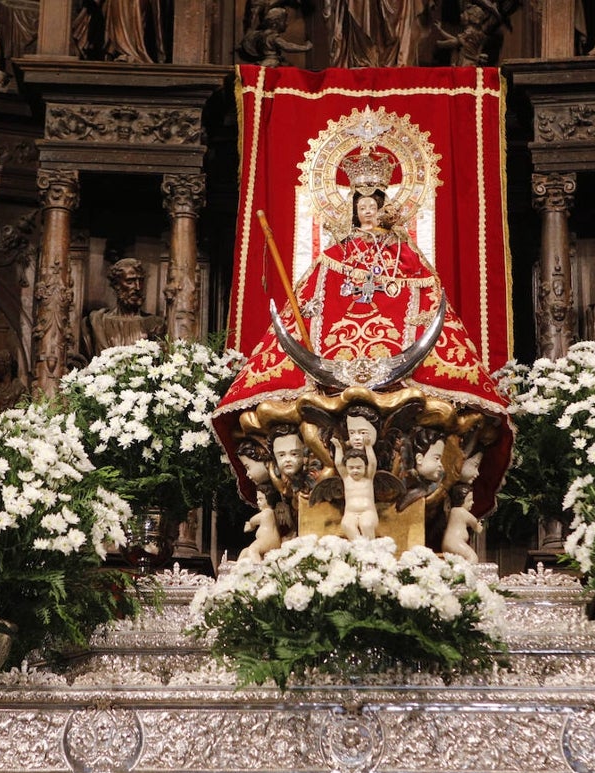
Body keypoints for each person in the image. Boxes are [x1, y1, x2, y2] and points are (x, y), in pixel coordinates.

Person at [215, 150, 512, 524]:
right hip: (332, 364)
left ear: (384, 207)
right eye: (361, 205)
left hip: (399, 362)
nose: (367, 212)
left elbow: (429, 302)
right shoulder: (333, 256)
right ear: (353, 209)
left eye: (373, 204)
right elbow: (307, 302)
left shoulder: (407, 257)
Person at [82, 257, 167, 359]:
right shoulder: (98, 321)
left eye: (140, 281)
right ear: (116, 285)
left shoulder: (154, 324)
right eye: (130, 281)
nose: (138, 287)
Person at [333, 439, 379, 540]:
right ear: (347, 468)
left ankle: (371, 550)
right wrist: (338, 448)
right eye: (351, 468)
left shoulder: (368, 478)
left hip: (368, 512)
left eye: (359, 467)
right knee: (346, 525)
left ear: (365, 467)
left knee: (366, 525)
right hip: (350, 513)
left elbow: (373, 463)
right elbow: (338, 464)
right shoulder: (346, 478)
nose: (355, 471)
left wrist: (368, 446)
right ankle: (359, 550)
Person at [441, 485, 480, 564]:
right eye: (469, 500)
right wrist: (478, 526)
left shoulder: (453, 511)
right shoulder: (461, 511)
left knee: (455, 562)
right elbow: (475, 525)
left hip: (447, 543)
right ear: (461, 500)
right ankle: (466, 573)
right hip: (455, 543)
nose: (472, 503)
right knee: (472, 557)